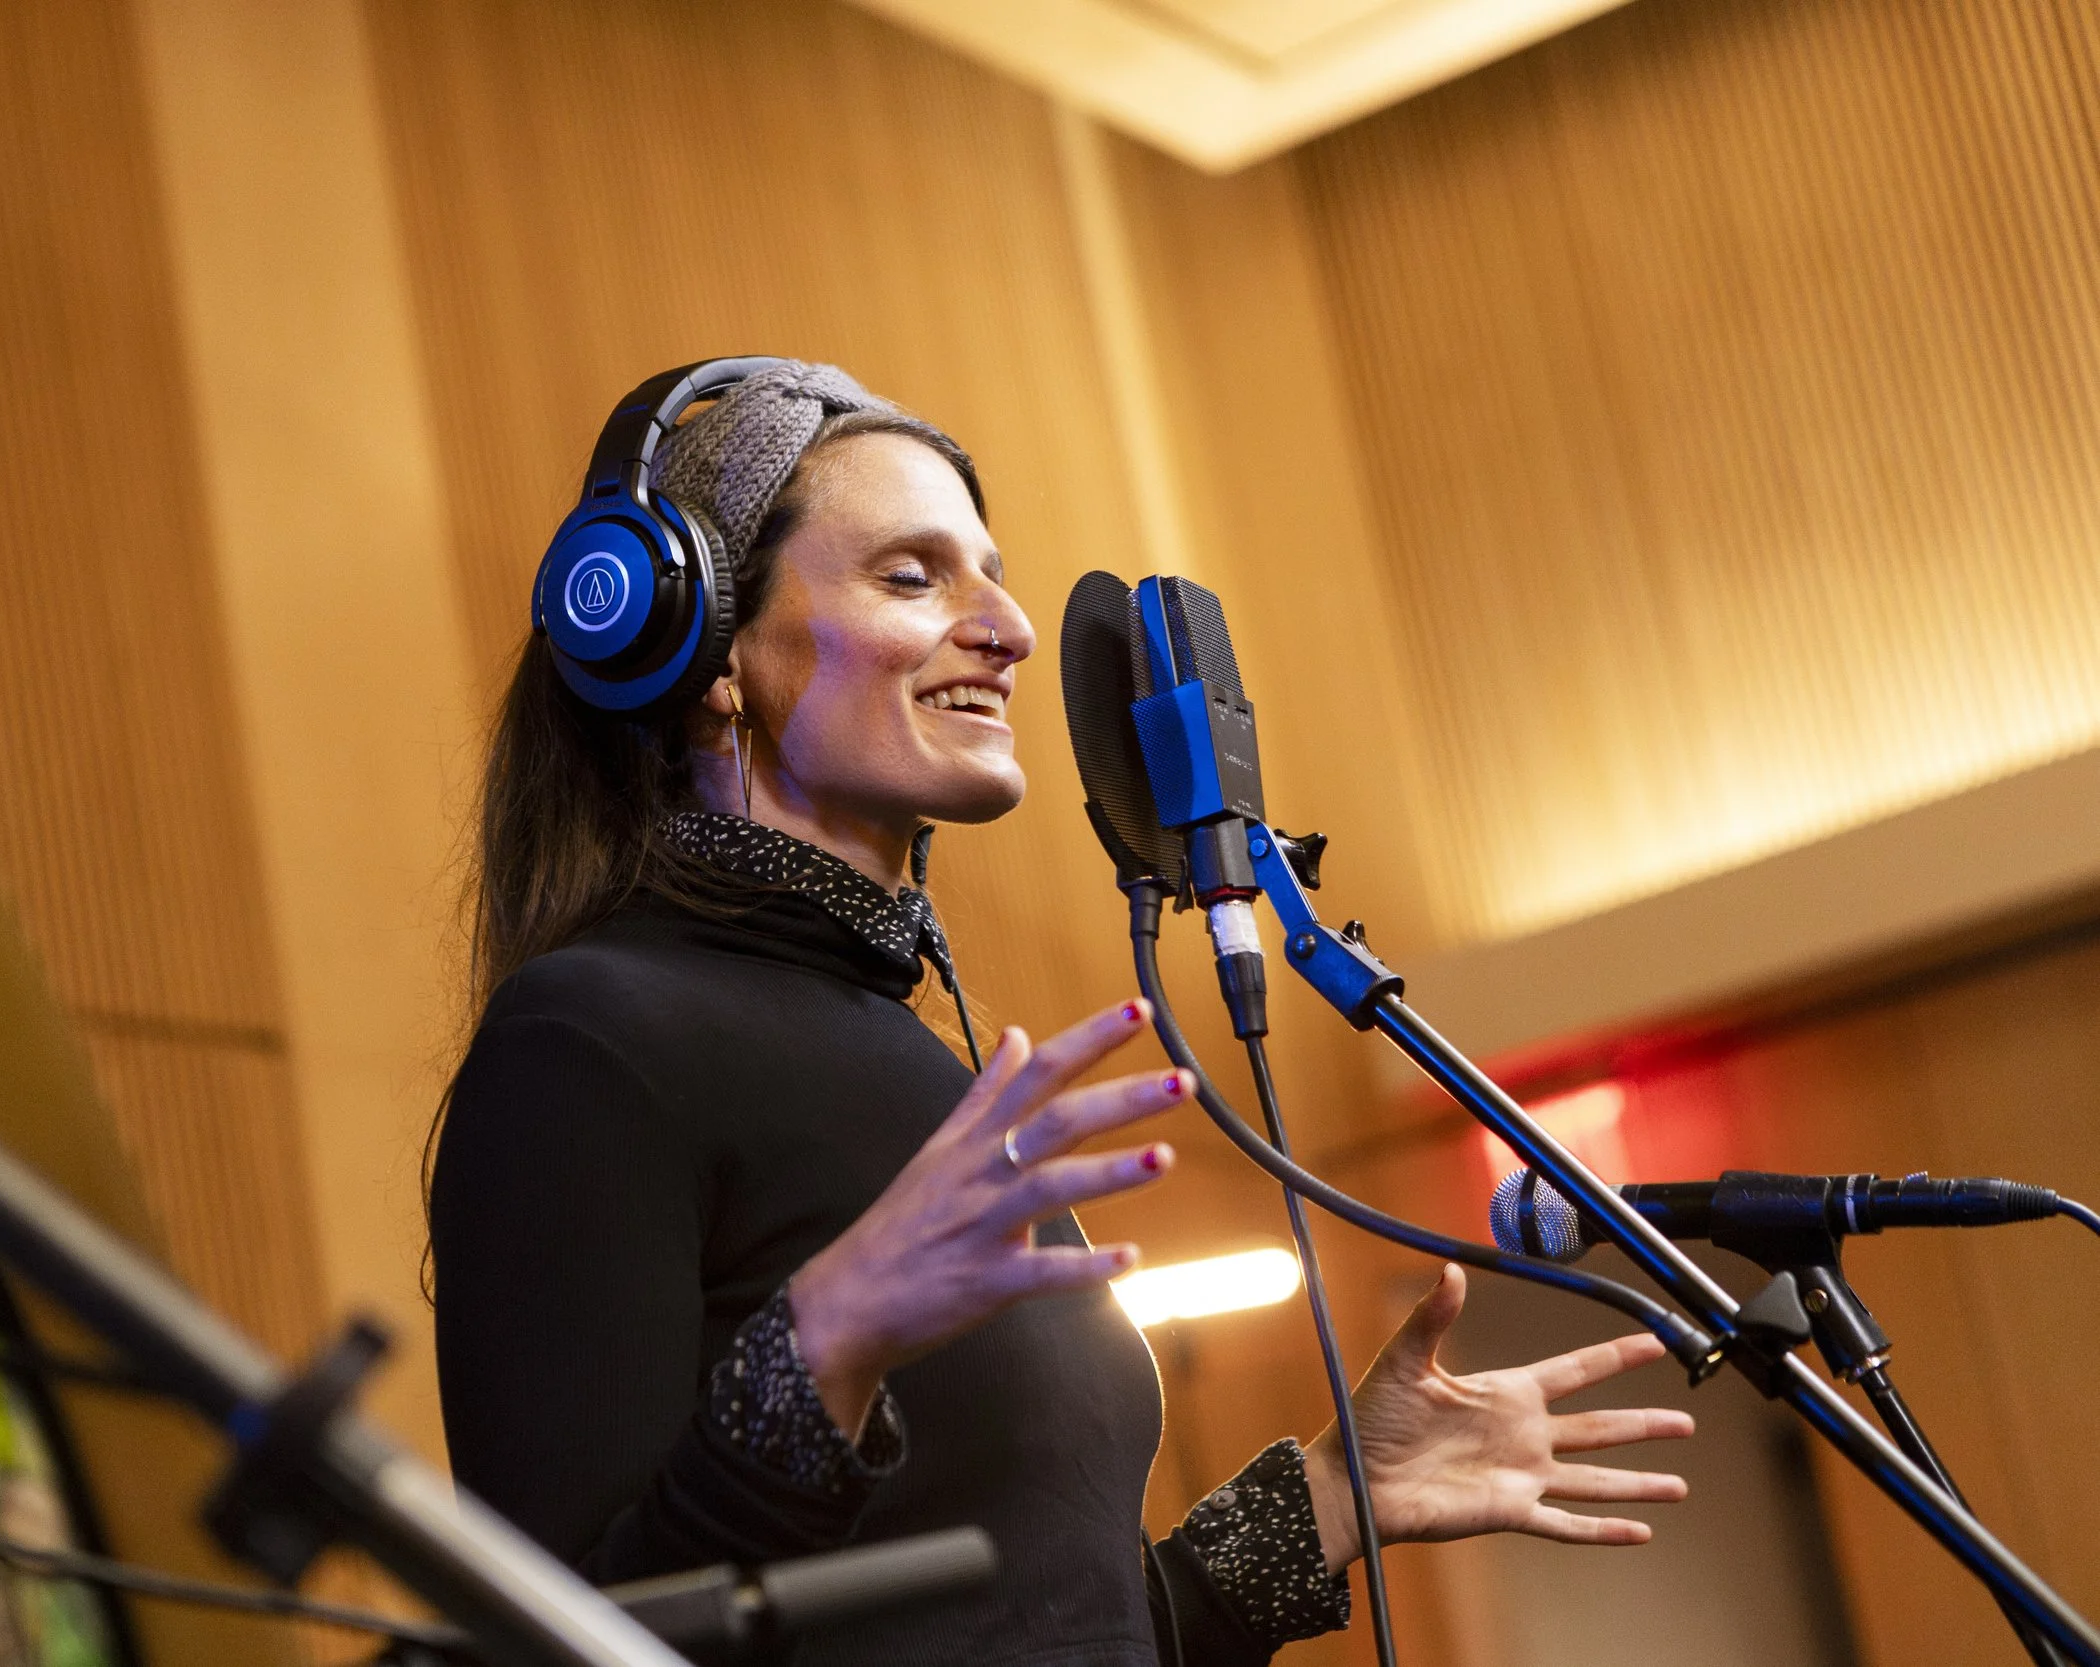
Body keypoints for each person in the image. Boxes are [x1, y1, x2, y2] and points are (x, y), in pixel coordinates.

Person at [429, 361, 1691, 1665]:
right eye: (913, 577)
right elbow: (563, 1640)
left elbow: (1044, 1624)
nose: (1012, 628)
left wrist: (1332, 1495)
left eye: (993, 573)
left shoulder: (921, 1056)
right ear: (707, 652)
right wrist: (822, 1350)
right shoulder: (588, 1043)